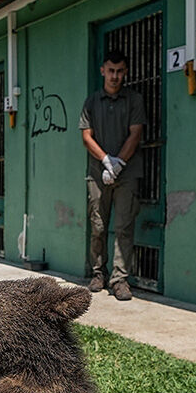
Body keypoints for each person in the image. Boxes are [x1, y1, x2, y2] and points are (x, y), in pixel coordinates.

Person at [79, 48, 147, 301]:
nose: (115, 76)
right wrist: (106, 161)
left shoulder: (134, 100)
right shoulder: (92, 102)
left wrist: (118, 164)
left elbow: (136, 132)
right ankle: (98, 273)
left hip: (127, 173)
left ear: (125, 72)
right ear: (103, 71)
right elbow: (86, 136)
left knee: (124, 228)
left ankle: (120, 280)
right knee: (97, 226)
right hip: (97, 173)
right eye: (111, 71)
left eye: (120, 72)